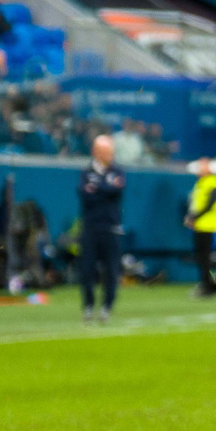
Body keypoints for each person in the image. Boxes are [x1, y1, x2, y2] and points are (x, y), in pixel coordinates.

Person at [78, 134, 126, 323]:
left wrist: (98, 187)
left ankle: (107, 307)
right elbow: (85, 194)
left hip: (111, 227)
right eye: (105, 151)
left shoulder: (117, 171)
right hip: (91, 227)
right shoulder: (86, 172)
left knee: (111, 270)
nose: (109, 155)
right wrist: (105, 188)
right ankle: (88, 306)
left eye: (110, 151)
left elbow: (116, 190)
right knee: (87, 269)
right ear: (95, 152)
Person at [184, 159, 216, 296]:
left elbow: (210, 202)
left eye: (201, 167)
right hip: (202, 223)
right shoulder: (201, 182)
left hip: (210, 223)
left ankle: (208, 285)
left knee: (205, 256)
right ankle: (206, 283)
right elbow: (197, 203)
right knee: (201, 256)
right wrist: (192, 217)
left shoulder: (214, 181)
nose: (199, 170)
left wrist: (195, 216)